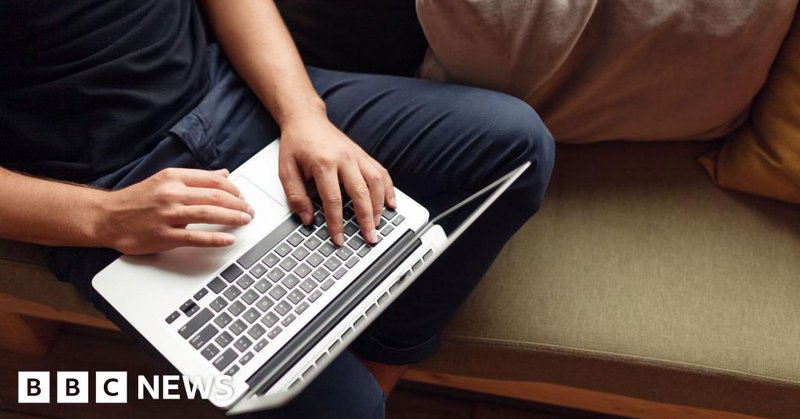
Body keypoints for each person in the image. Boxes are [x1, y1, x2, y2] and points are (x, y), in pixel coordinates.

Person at [0, 1, 555, 417]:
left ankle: (381, 360)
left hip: (232, 94)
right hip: (108, 186)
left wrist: (302, 114)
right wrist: (105, 218)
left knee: (514, 145)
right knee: (346, 410)